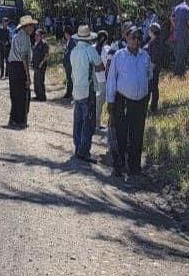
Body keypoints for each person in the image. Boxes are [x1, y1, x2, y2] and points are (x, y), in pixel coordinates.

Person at [106, 27, 153, 178]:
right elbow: (111, 81)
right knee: (121, 133)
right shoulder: (119, 56)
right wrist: (111, 104)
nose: (136, 41)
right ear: (127, 38)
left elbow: (149, 76)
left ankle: (135, 166)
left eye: (139, 38)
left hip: (140, 103)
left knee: (137, 134)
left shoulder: (145, 56)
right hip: (123, 101)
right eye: (133, 37)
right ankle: (118, 166)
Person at [69, 26, 104, 161]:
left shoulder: (73, 51)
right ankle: (84, 151)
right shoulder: (90, 50)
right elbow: (100, 66)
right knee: (88, 121)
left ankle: (78, 148)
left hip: (77, 89)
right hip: (88, 89)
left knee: (77, 121)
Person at [7, 16, 38, 128]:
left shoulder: (17, 35)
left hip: (12, 66)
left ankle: (13, 118)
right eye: (32, 26)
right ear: (27, 26)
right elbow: (24, 57)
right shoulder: (24, 37)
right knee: (22, 95)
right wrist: (28, 76)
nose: (33, 28)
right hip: (20, 66)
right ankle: (20, 120)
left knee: (15, 94)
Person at [170, 0, 189, 76]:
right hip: (183, 34)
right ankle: (177, 72)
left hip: (176, 33)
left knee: (180, 53)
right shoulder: (188, 9)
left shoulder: (177, 7)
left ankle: (182, 71)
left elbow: (171, 18)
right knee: (181, 53)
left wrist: (176, 26)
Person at [143, 23, 166, 112]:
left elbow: (154, 59)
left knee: (150, 88)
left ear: (152, 32)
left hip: (153, 69)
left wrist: (149, 70)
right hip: (152, 68)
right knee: (153, 88)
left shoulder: (156, 43)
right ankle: (152, 107)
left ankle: (151, 107)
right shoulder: (152, 41)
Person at [32, 29, 50, 102]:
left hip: (41, 65)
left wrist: (41, 63)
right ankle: (37, 95)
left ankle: (42, 96)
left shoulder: (44, 44)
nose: (36, 37)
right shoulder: (36, 43)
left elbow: (46, 55)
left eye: (38, 35)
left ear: (42, 36)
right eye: (35, 35)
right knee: (36, 81)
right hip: (36, 65)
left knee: (40, 81)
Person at [61, 27, 76, 100]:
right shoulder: (68, 41)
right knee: (68, 78)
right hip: (67, 62)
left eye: (65, 33)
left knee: (70, 78)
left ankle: (70, 93)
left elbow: (70, 52)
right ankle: (69, 92)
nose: (64, 35)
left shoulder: (72, 41)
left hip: (70, 63)